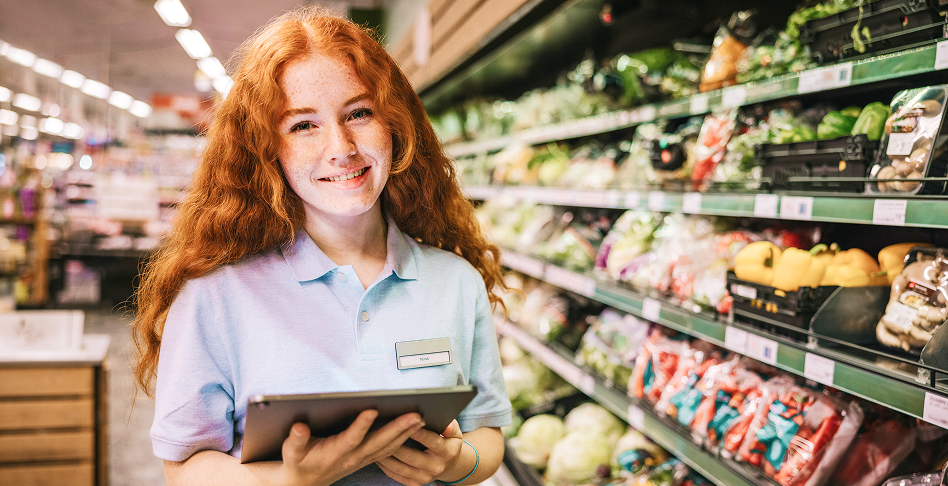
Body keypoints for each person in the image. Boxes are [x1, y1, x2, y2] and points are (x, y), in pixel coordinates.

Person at [132, 6, 512, 485]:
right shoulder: (215, 295)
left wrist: (456, 463)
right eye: (303, 125)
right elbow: (184, 467)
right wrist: (289, 482)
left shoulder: (455, 281)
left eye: (359, 113)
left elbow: (488, 434)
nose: (341, 147)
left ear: (394, 123)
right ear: (267, 148)